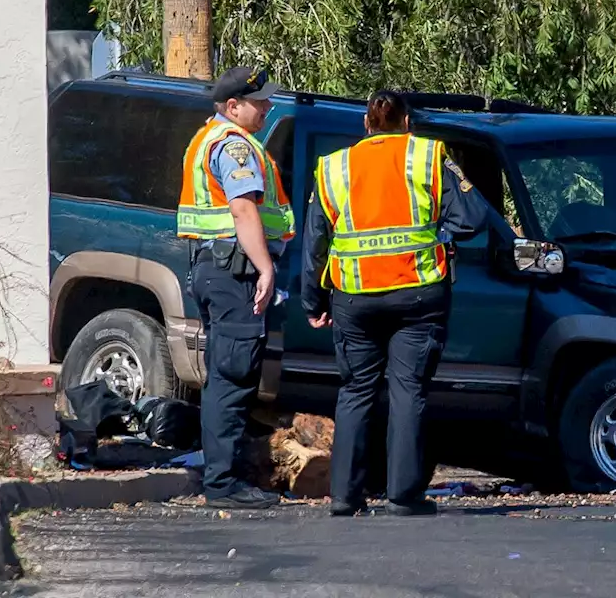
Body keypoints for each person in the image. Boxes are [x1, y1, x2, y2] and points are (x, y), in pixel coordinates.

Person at [301, 90, 489, 517]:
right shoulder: (429, 155)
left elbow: (315, 242)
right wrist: (440, 227)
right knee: (408, 392)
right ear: (407, 123)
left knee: (355, 392)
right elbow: (473, 218)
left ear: (366, 126)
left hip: (354, 297)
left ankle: (344, 497)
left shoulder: (334, 166)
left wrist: (313, 301)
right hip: (418, 293)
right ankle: (404, 496)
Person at [177, 66, 295, 509]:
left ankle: (224, 477)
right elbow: (244, 211)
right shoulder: (233, 147)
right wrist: (266, 269)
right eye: (259, 101)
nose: (267, 107)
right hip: (234, 272)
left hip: (218, 270)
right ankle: (223, 484)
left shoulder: (212, 137)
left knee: (228, 373)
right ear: (232, 107)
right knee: (232, 374)